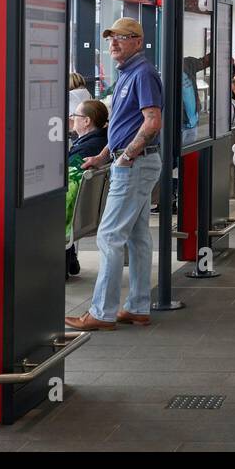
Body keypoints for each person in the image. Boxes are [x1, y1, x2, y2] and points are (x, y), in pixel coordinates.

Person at [65, 17, 163, 332]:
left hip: (135, 164)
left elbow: (152, 121)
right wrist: (103, 155)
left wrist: (126, 156)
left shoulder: (143, 74)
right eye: (110, 39)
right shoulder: (127, 75)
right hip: (132, 161)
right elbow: (123, 126)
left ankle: (102, 313)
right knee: (136, 237)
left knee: (109, 237)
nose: (113, 44)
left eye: (122, 38)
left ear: (138, 41)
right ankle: (136, 306)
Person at [65, 99, 109, 278]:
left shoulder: (86, 150)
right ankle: (69, 257)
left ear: (86, 121)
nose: (71, 118)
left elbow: (69, 190)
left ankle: (64, 259)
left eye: (74, 115)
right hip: (88, 217)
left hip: (78, 216)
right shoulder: (101, 142)